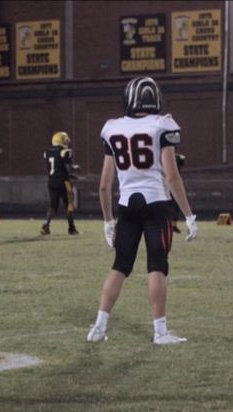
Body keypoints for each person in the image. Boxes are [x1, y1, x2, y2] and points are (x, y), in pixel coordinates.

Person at [86, 76, 197, 345]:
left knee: (120, 265)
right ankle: (160, 332)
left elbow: (104, 186)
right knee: (157, 266)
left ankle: (99, 327)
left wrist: (108, 221)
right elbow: (172, 176)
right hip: (156, 203)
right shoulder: (162, 125)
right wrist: (189, 215)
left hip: (127, 206)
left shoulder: (112, 128)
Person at [40, 131, 79, 236]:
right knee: (69, 205)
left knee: (53, 206)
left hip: (52, 182)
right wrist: (75, 169)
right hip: (64, 182)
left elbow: (57, 168)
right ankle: (71, 228)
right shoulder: (65, 152)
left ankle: (45, 225)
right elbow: (68, 169)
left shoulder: (47, 152)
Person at [170, 153, 186, 232]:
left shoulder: (176, 158)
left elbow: (182, 160)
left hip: (174, 184)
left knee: (176, 205)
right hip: (167, 183)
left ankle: (174, 225)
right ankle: (169, 224)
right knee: (170, 205)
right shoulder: (170, 157)